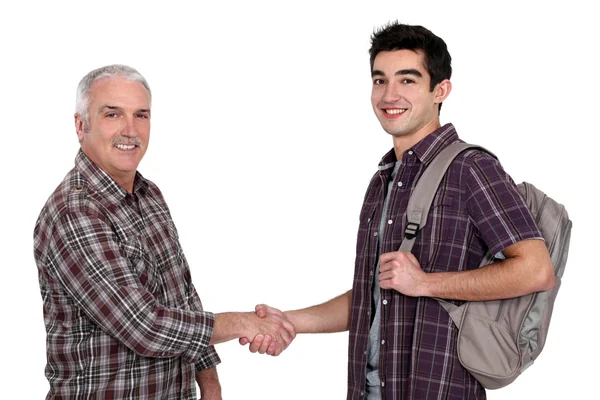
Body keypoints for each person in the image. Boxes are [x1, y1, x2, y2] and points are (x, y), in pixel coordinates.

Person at [241, 22, 555, 399]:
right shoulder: (384, 180)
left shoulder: (470, 168)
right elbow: (373, 294)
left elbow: (536, 269)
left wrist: (425, 283)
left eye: (407, 80)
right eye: (379, 80)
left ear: (440, 90)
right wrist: (288, 322)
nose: (389, 94)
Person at [33, 64, 296, 400]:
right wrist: (244, 323)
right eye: (112, 115)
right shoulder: (75, 211)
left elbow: (183, 298)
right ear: (80, 125)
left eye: (141, 115)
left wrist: (211, 386)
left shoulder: (149, 195)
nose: (131, 130)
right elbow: (143, 326)